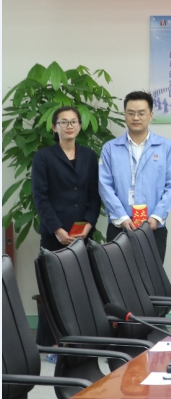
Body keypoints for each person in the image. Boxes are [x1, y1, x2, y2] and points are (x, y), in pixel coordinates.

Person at [32, 105, 101, 351]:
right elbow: (41, 199)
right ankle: (50, 343)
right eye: (64, 122)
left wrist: (89, 225)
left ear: (80, 126)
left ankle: (79, 339)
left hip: (82, 233)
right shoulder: (43, 157)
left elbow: (94, 195)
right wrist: (58, 230)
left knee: (81, 287)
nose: (69, 126)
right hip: (55, 234)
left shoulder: (89, 156)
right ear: (54, 127)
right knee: (53, 289)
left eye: (74, 121)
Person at [99, 91, 171, 261]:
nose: (136, 118)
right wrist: (122, 217)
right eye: (131, 113)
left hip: (153, 226)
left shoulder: (165, 146)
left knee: (151, 275)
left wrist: (157, 217)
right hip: (119, 226)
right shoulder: (110, 148)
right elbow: (104, 186)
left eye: (141, 113)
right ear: (125, 115)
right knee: (118, 274)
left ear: (151, 115)